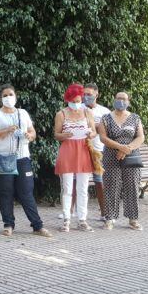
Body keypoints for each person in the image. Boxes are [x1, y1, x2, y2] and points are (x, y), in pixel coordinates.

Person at [0, 85, 51, 237]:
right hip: (2, 157)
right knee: (5, 192)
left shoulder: (23, 113)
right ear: (0, 98)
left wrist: (30, 136)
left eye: (11, 94)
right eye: (5, 95)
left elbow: (32, 131)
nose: (8, 97)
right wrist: (6, 130)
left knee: (26, 192)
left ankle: (37, 226)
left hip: (22, 158)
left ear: (16, 96)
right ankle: (8, 224)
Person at [97, 92, 146, 230]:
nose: (121, 101)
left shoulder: (135, 118)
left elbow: (140, 137)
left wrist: (127, 149)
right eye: (118, 98)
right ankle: (110, 218)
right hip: (111, 157)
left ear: (128, 101)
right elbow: (102, 138)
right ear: (114, 100)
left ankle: (133, 219)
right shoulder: (106, 118)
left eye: (124, 99)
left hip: (131, 157)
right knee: (111, 186)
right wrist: (120, 147)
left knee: (132, 186)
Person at [53, 83, 97, 232]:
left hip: (83, 149)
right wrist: (64, 135)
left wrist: (91, 134)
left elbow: (94, 132)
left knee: (83, 187)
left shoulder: (87, 113)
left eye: (79, 101)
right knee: (67, 187)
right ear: (68, 99)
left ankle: (82, 219)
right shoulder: (61, 114)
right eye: (73, 101)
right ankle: (66, 219)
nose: (76, 104)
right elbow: (56, 134)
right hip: (68, 150)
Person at [83, 83, 111, 221]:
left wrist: (96, 127)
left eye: (89, 94)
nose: (86, 97)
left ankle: (104, 212)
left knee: (99, 182)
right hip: (81, 149)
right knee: (76, 181)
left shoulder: (104, 111)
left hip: (98, 151)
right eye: (84, 94)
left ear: (96, 94)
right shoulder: (78, 109)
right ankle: (70, 213)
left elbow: (108, 131)